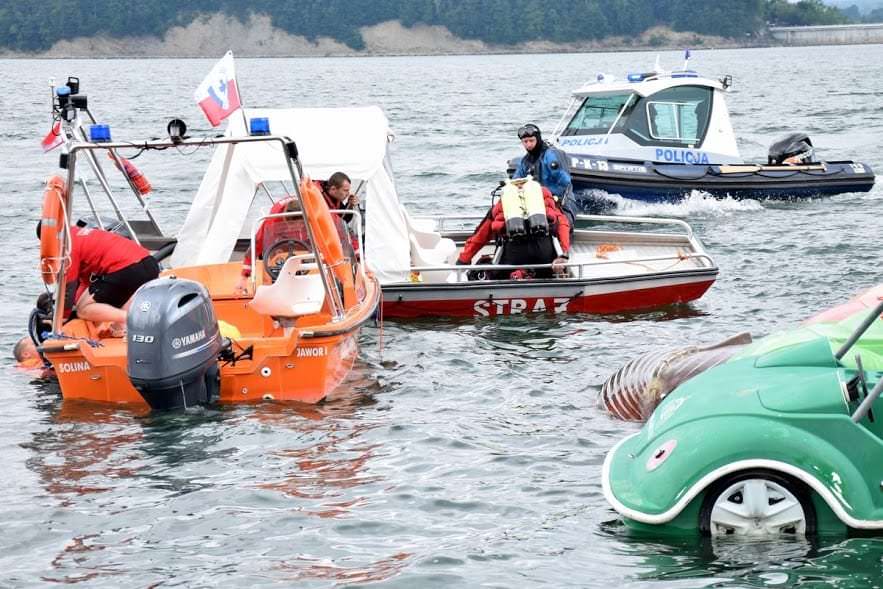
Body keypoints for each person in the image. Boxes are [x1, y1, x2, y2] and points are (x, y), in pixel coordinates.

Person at [35, 223, 159, 334]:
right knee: (112, 323)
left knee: (83, 310)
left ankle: (134, 318)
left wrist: (62, 317)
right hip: (148, 263)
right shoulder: (78, 234)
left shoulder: (67, 247)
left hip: (129, 269)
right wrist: (75, 303)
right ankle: (125, 327)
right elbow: (85, 282)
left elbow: (69, 286)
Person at [455, 184, 571, 279]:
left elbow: (480, 236)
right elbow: (563, 225)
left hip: (513, 256)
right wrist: (563, 255)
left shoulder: (504, 204)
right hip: (544, 254)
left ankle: (518, 275)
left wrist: (463, 261)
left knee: (494, 272)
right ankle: (535, 275)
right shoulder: (545, 202)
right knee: (548, 269)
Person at [512, 123, 577, 226]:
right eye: (525, 142)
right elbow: (516, 180)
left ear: (538, 139)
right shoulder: (525, 161)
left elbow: (565, 182)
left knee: (557, 226)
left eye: (531, 140)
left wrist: (556, 172)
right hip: (537, 203)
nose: (528, 144)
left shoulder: (550, 155)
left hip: (561, 203)